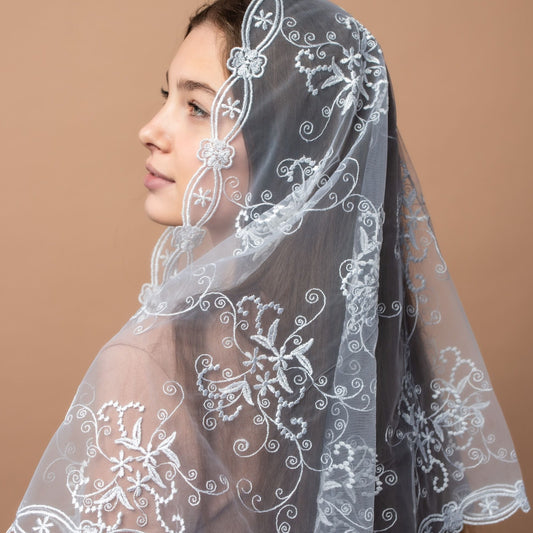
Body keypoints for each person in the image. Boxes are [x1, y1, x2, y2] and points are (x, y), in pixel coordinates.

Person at [7, 0, 529, 531]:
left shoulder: (151, 365)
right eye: (168, 97)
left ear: (285, 140)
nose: (150, 130)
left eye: (197, 108)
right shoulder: (367, 352)